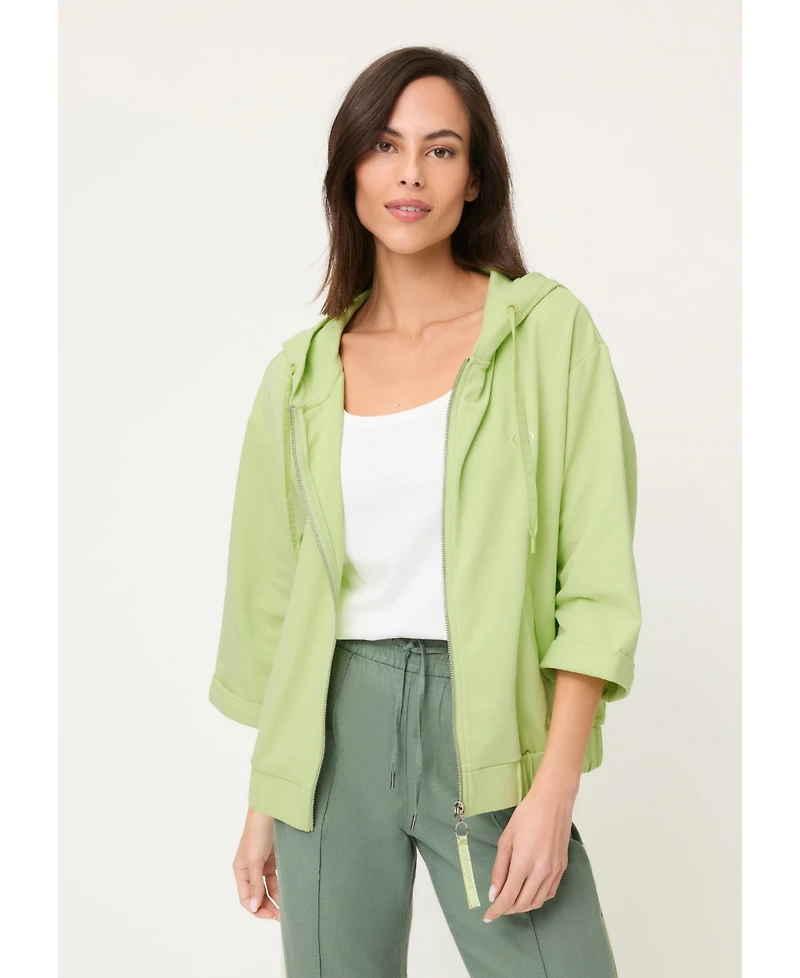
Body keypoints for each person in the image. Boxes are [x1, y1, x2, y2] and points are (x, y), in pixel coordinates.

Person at [208, 45, 641, 978]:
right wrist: (266, 797)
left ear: (474, 178)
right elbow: (274, 606)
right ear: (351, 171)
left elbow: (596, 579)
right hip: (330, 737)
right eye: (385, 145)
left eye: (440, 150)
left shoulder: (545, 334)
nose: (410, 172)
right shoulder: (299, 378)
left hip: (489, 724)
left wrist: (553, 790)